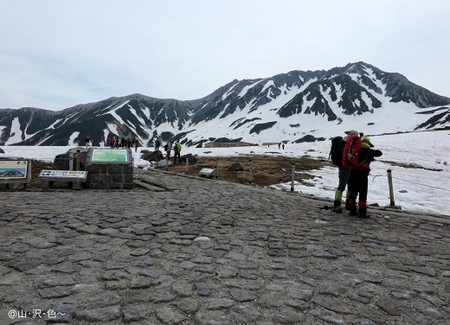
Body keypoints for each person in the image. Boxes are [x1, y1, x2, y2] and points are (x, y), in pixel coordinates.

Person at [347, 136, 383, 218]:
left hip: (352, 172)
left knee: (353, 191)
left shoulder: (354, 150)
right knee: (363, 192)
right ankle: (362, 212)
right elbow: (379, 153)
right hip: (362, 174)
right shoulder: (368, 151)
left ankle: (352, 210)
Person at [333, 130, 358, 213]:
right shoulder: (348, 143)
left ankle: (338, 204)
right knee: (347, 186)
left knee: (342, 185)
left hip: (343, 167)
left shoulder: (343, 142)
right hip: (348, 166)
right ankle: (346, 203)